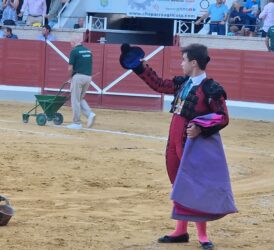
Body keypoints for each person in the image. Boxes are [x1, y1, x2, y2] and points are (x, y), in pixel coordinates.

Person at [121, 43, 237, 250]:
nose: (180, 63)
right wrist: (139, 66)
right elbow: (158, 84)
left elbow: (222, 117)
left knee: (195, 187)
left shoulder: (212, 89)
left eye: (183, 60)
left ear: (193, 63)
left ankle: (202, 235)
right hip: (173, 139)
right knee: (178, 185)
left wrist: (201, 128)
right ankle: (181, 230)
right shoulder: (183, 83)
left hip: (192, 145)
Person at [67, 38, 96, 129]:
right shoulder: (88, 51)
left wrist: (70, 78)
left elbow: (70, 68)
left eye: (71, 42)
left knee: (75, 100)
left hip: (78, 77)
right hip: (88, 77)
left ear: (74, 42)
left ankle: (77, 123)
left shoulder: (74, 51)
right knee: (80, 98)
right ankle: (90, 114)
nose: (70, 44)